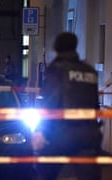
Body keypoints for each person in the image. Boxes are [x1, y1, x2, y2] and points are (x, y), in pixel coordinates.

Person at [32, 32, 103, 180]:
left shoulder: (57, 70)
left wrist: (40, 131)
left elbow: (49, 104)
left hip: (63, 132)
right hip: (89, 134)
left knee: (44, 169)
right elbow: (95, 105)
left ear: (57, 48)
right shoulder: (89, 71)